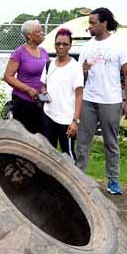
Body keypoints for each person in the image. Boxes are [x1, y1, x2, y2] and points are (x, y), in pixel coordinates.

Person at [76, 7, 127, 195]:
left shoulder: (119, 45)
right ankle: (79, 178)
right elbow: (78, 77)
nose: (90, 26)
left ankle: (113, 181)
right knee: (83, 141)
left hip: (111, 100)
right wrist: (84, 70)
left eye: (93, 22)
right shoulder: (86, 47)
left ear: (104, 23)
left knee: (111, 142)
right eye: (90, 22)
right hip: (88, 99)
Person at [39, 28, 83, 159]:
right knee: (48, 153)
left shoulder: (75, 67)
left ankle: (74, 179)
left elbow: (79, 95)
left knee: (68, 154)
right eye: (58, 44)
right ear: (54, 45)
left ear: (70, 46)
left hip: (66, 119)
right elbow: (43, 85)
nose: (61, 47)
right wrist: (44, 94)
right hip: (48, 115)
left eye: (65, 44)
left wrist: (75, 121)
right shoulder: (49, 64)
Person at [4, 19, 48, 133]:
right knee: (24, 135)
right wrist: (28, 89)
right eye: (39, 31)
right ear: (30, 35)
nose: (43, 33)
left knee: (42, 135)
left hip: (40, 101)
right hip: (23, 102)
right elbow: (8, 76)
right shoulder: (19, 52)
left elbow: (48, 73)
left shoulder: (44, 52)